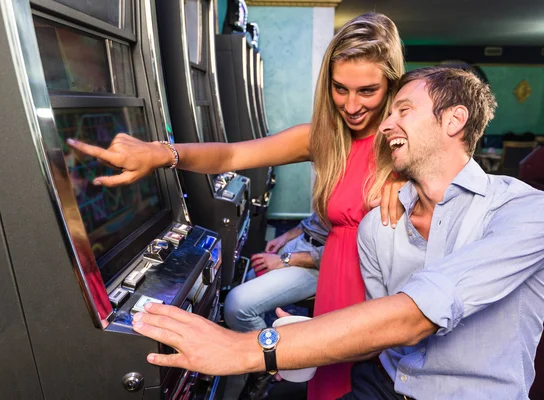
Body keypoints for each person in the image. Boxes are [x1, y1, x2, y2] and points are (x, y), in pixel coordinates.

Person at [129, 67, 544, 399]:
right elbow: (381, 334)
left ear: (454, 120)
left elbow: (415, 317)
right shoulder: (379, 223)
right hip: (379, 384)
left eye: (403, 110)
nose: (383, 124)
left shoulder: (528, 212)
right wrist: (308, 336)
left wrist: (247, 348)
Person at [68, 12, 405, 399]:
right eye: (340, 88)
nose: (351, 105)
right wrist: (162, 154)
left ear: (393, 86)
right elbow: (230, 156)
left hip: (380, 295)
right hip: (335, 279)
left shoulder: (405, 148)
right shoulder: (324, 138)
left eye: (367, 91)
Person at [225, 213, 328, 399]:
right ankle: (262, 352)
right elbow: (316, 220)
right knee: (250, 279)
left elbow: (346, 247)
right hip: (302, 243)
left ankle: (267, 366)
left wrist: (285, 260)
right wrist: (286, 237)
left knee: (237, 305)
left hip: (321, 260)